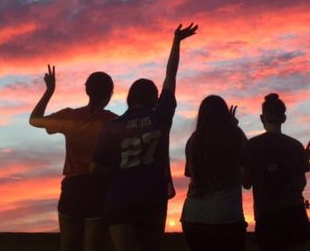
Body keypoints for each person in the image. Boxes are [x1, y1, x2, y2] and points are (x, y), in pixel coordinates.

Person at [91, 23, 198, 251]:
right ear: (154, 97)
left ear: (130, 97)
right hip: (152, 199)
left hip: (119, 198)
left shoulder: (113, 126)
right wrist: (176, 41)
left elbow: (95, 168)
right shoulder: (161, 116)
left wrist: (118, 171)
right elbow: (171, 75)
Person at [29, 65, 117, 251]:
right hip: (99, 188)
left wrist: (49, 91)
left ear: (87, 90)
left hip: (72, 189)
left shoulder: (70, 117)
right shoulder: (114, 122)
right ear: (110, 94)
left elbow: (34, 119)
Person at [243, 93, 310, 251]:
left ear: (262, 118)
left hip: (267, 216)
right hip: (295, 214)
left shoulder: (252, 146)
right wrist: (305, 159)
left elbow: (246, 183)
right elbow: (301, 183)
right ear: (284, 118)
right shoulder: (295, 146)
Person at [181, 95, 248, 251]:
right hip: (226, 217)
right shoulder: (236, 135)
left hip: (193, 217)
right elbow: (247, 177)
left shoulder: (193, 140)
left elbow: (189, 173)